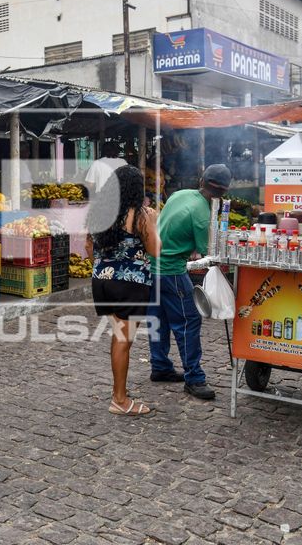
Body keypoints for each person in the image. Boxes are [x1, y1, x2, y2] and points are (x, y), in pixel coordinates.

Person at [147, 163, 231, 400]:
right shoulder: (203, 214)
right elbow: (209, 252)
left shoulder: (179, 194)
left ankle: (160, 366)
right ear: (222, 193)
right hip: (171, 271)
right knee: (189, 320)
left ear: (201, 181)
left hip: (150, 268)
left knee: (159, 318)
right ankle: (194, 378)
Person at [86, 165, 160, 416]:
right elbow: (154, 250)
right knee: (123, 341)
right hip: (129, 284)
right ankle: (119, 399)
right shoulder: (140, 214)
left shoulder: (100, 212)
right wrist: (153, 222)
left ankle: (119, 394)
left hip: (103, 282)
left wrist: (103, 268)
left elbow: (88, 246)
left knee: (118, 337)